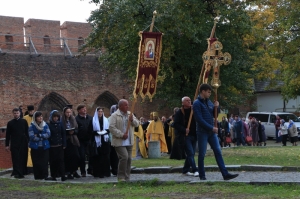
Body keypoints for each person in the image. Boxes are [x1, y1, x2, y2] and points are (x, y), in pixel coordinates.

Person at [193, 84, 238, 181]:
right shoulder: (196, 103)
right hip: (202, 132)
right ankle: (202, 175)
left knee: (218, 151)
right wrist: (212, 128)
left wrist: (217, 107)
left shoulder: (209, 102)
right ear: (203, 91)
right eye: (208, 92)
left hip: (211, 132)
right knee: (202, 154)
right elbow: (199, 119)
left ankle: (225, 174)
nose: (209, 94)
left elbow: (214, 114)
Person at [109, 99, 139, 182]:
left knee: (129, 158)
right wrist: (121, 134)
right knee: (124, 157)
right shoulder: (114, 115)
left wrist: (132, 120)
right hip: (119, 141)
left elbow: (137, 124)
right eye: (126, 105)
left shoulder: (130, 114)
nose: (128, 106)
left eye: (128, 105)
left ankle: (127, 176)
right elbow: (111, 128)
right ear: (120, 106)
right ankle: (121, 176)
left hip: (129, 140)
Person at [173, 96, 199, 177]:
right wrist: (184, 129)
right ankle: (195, 170)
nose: (189, 101)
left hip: (194, 135)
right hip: (186, 136)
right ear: (183, 103)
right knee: (190, 153)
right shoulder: (180, 112)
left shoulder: (193, 110)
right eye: (187, 100)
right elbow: (175, 124)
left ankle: (185, 170)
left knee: (191, 153)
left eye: (190, 100)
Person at [5, 108, 29, 178]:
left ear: (20, 113)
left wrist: (28, 141)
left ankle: (23, 171)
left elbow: (27, 132)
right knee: (15, 158)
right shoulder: (10, 123)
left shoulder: (24, 121)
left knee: (23, 157)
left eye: (17, 113)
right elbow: (8, 135)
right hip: (14, 143)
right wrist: (7, 144)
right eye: (15, 113)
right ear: (13, 114)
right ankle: (17, 172)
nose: (16, 114)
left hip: (23, 142)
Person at [88, 107, 111, 178]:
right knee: (97, 158)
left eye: (101, 111)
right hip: (97, 141)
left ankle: (106, 172)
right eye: (99, 111)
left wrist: (104, 132)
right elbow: (90, 131)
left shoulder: (106, 120)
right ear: (96, 112)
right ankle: (98, 173)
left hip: (104, 141)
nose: (100, 113)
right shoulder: (93, 121)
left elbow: (108, 129)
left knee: (105, 157)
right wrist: (96, 132)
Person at [28, 111, 51, 180]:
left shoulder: (45, 125)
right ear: (35, 118)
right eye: (38, 116)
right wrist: (42, 137)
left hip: (44, 146)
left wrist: (39, 135)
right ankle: (38, 176)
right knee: (36, 162)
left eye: (41, 116)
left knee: (44, 162)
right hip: (35, 147)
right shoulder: (31, 126)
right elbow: (32, 137)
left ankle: (45, 176)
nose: (40, 118)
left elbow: (48, 134)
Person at [46, 110, 67, 181]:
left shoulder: (60, 124)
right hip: (52, 146)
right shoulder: (48, 124)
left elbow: (63, 134)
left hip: (60, 145)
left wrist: (64, 144)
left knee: (61, 160)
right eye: (54, 117)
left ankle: (63, 175)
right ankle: (53, 175)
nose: (56, 118)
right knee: (53, 161)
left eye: (57, 117)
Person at [61, 106, 80, 179]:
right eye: (67, 112)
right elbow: (61, 130)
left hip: (73, 140)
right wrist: (67, 132)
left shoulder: (73, 119)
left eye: (69, 112)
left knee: (76, 156)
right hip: (66, 140)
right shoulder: (62, 120)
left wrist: (73, 131)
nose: (68, 114)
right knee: (68, 157)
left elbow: (77, 129)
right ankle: (68, 172)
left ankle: (74, 171)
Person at [75, 104, 93, 177]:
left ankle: (90, 169)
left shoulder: (90, 118)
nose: (84, 110)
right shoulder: (76, 119)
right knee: (82, 156)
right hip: (81, 140)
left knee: (91, 155)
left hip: (89, 139)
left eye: (85, 108)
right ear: (79, 111)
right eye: (82, 109)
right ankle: (83, 171)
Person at [23, 105, 35, 174]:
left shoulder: (35, 117)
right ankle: (28, 167)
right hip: (27, 137)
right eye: (30, 111)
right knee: (28, 152)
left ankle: (33, 167)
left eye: (32, 111)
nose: (31, 112)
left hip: (34, 137)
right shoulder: (25, 118)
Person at [108, 104, 119, 176]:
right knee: (114, 156)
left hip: (118, 139)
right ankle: (115, 170)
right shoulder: (109, 119)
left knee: (117, 156)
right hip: (112, 139)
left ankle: (116, 169)